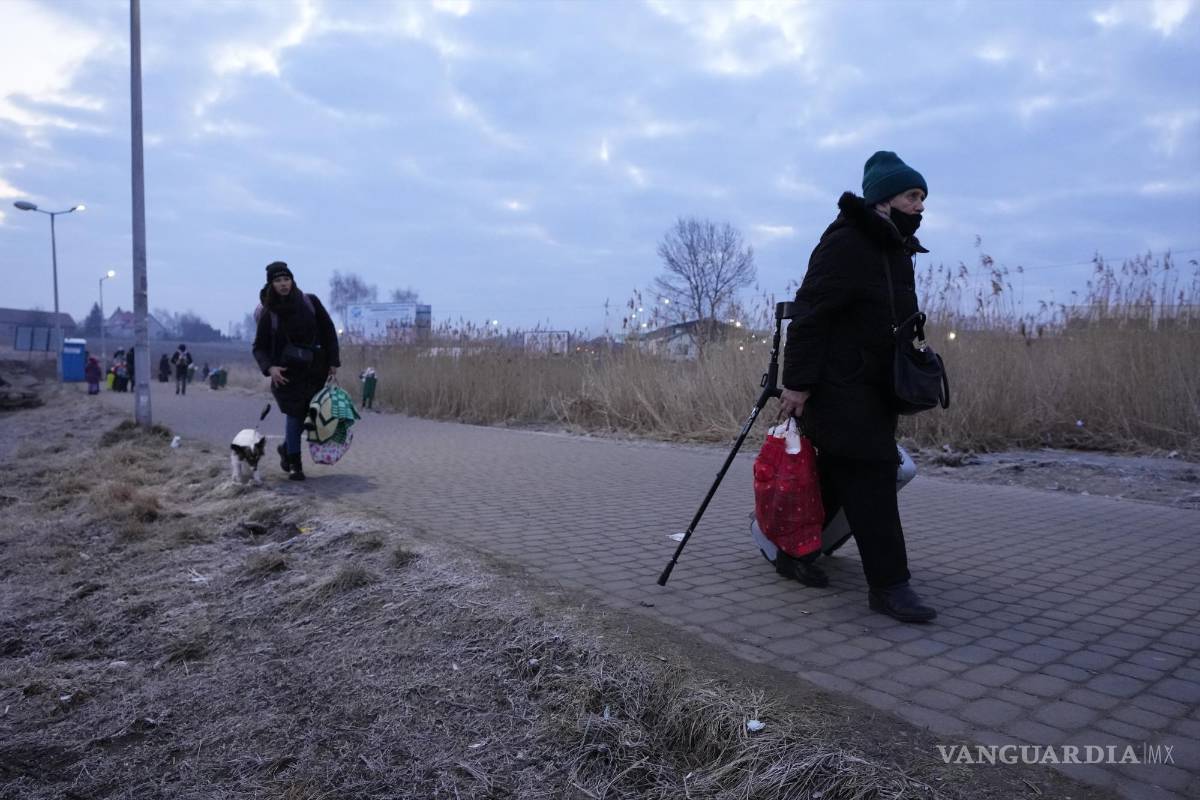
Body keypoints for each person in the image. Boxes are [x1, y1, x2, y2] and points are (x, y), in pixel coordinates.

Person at [777, 150, 937, 623]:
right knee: (872, 478)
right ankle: (890, 586)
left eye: (924, 197)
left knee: (835, 479)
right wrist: (798, 385)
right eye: (913, 195)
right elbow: (810, 317)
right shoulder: (848, 242)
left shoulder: (892, 248)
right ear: (885, 199)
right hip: (841, 388)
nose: (920, 206)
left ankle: (790, 548)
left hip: (873, 385)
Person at [253, 261, 340, 482]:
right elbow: (259, 347)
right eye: (278, 280)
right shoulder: (268, 312)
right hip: (285, 373)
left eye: (286, 279)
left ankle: (286, 447)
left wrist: (333, 362)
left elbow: (329, 331)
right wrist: (270, 368)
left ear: (292, 280)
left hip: (313, 369)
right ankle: (295, 464)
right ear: (271, 284)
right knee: (294, 415)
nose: (283, 284)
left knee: (307, 416)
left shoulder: (309, 302)